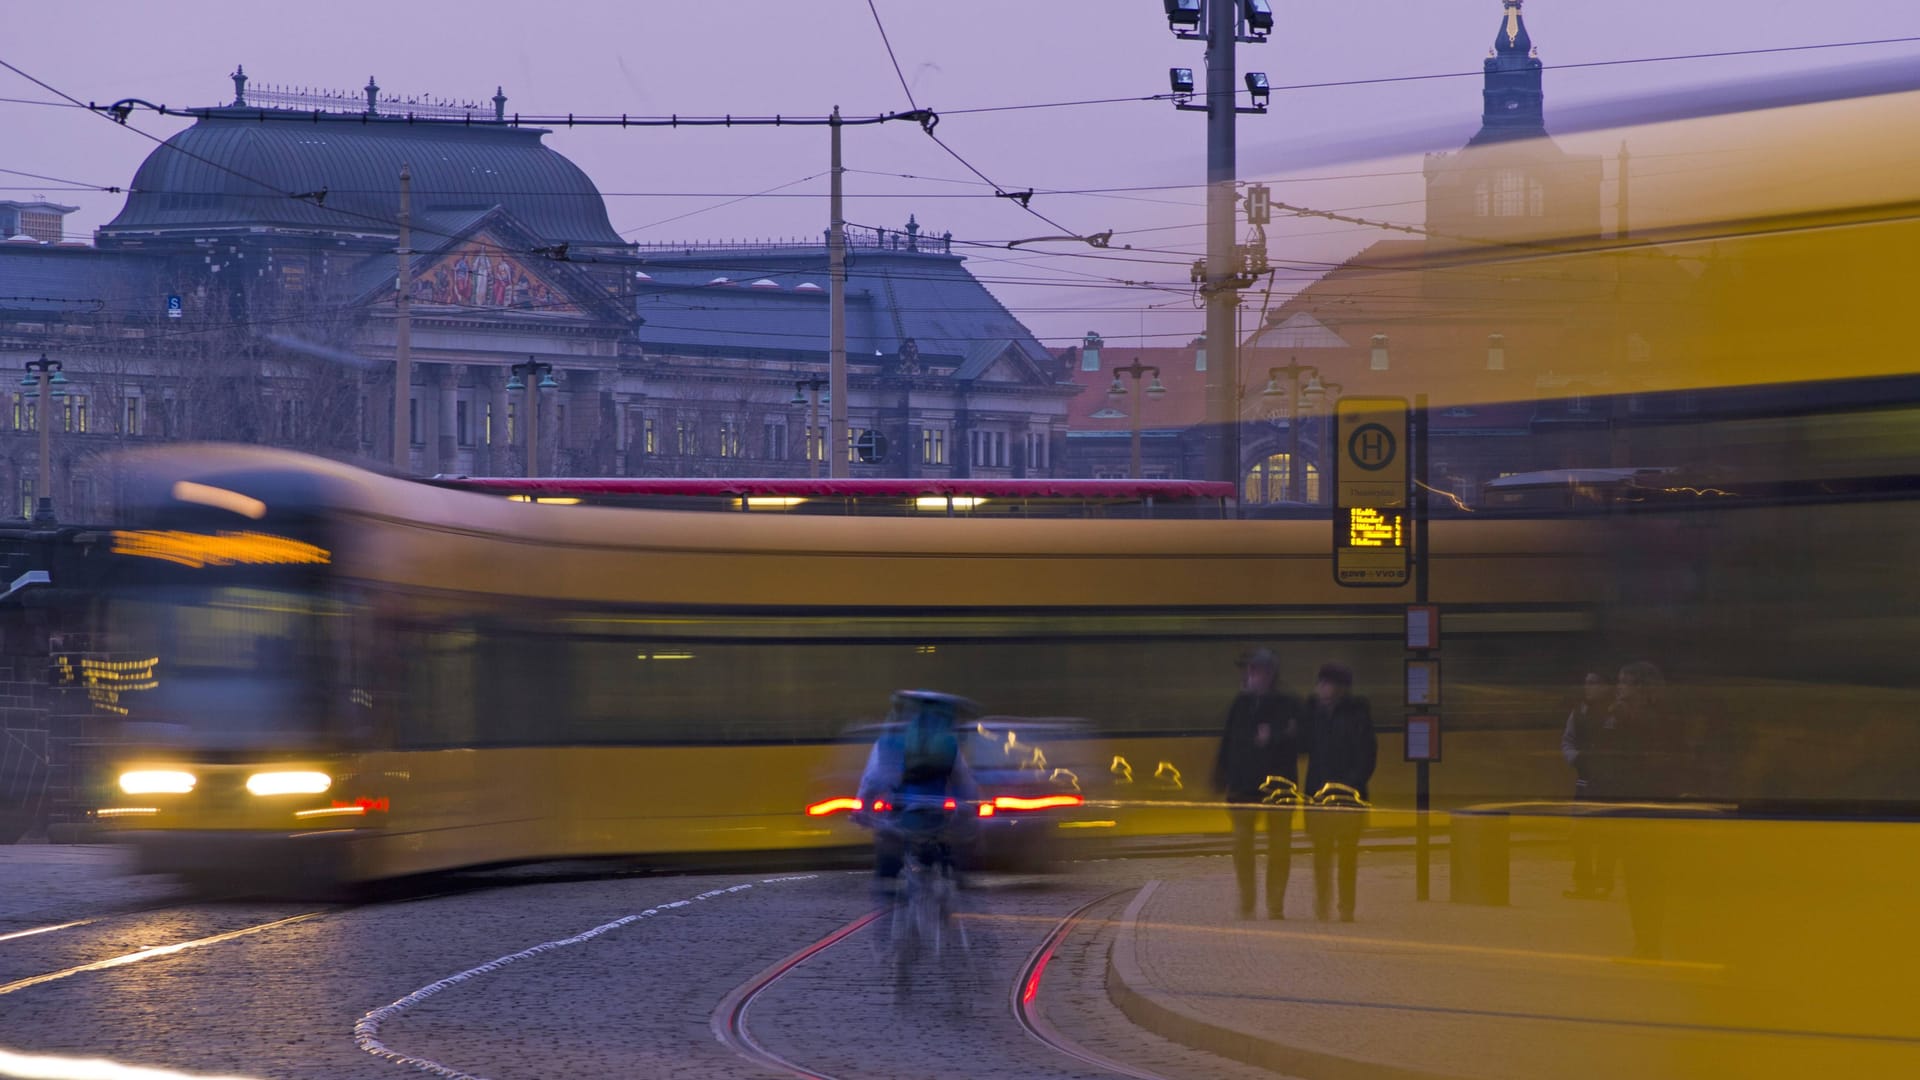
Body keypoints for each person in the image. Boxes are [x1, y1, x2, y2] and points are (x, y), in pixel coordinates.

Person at [854, 690, 980, 902]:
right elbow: (964, 783)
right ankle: (956, 879)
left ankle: (889, 887)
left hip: (903, 812)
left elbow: (873, 780)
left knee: (890, 846)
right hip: (938, 813)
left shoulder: (888, 742)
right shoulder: (948, 742)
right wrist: (968, 809)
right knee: (946, 846)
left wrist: (861, 809)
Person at [1209, 647, 1303, 919]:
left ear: (1269, 675)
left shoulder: (1289, 704)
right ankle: (1247, 902)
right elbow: (1228, 743)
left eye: (1254, 671)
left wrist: (1273, 737)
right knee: (1242, 845)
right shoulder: (1240, 704)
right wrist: (1220, 777)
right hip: (1242, 787)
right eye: (1247, 671)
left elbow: (1304, 741)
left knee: (1279, 846)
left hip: (1278, 789)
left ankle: (1275, 904)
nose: (1248, 676)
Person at [1303, 663, 1376, 922]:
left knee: (1347, 855)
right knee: (1321, 855)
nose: (1320, 687)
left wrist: (1348, 787)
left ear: (1340, 688)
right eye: (1319, 682)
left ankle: (1346, 907)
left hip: (1348, 797)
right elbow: (1302, 746)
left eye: (1326, 683)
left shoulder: (1357, 714)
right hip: (1318, 796)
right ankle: (1322, 905)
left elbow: (1367, 756)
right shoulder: (1312, 712)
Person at [1561, 672, 1617, 898]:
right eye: (1587, 683)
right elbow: (1568, 740)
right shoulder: (1579, 713)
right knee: (1580, 835)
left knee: (1605, 836)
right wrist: (1576, 758)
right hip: (1585, 782)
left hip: (1609, 783)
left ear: (1606, 686)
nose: (1588, 687)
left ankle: (1602, 882)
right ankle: (1585, 882)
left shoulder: (1616, 713)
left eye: (1594, 683)